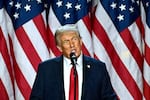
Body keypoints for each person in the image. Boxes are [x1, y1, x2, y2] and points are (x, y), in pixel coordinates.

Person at [30, 24, 117, 100]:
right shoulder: (46, 69)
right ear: (59, 47)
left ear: (81, 42)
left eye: (74, 39)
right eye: (66, 41)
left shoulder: (98, 68)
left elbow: (109, 98)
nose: (72, 45)